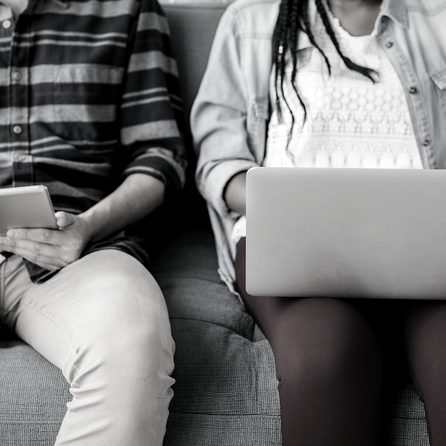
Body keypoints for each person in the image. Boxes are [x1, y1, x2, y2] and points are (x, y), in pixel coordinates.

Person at [192, 0, 446, 444]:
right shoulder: (249, 23)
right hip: (293, 250)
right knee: (325, 357)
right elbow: (219, 161)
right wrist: (282, 204)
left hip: (423, 249)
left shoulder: (439, 19)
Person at [0, 0, 186, 444]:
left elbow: (161, 157)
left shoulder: (128, 7)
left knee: (130, 348)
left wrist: (87, 227)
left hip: (82, 249)